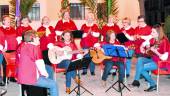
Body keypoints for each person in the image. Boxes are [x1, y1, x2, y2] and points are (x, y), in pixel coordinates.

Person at [16, 30, 59, 96]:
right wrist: (45, 75)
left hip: (21, 75)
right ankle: (49, 88)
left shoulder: (22, 46)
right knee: (54, 84)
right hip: (30, 78)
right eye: (37, 37)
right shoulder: (35, 48)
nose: (39, 38)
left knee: (49, 68)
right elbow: (40, 65)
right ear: (32, 38)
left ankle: (47, 88)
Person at [130, 25, 169, 92]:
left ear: (158, 33)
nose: (151, 33)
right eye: (151, 31)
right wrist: (142, 47)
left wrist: (156, 52)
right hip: (153, 58)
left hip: (160, 62)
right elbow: (144, 43)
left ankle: (153, 84)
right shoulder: (153, 39)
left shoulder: (164, 41)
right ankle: (136, 81)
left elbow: (164, 58)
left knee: (141, 68)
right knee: (140, 59)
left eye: (153, 32)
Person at [0, 15, 18, 85]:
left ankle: (12, 77)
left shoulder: (13, 29)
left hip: (13, 49)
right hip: (5, 50)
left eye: (9, 20)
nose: (9, 21)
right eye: (7, 20)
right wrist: (1, 48)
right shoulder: (0, 29)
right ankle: (4, 79)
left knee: (13, 63)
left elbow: (16, 38)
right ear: (3, 21)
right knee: (4, 64)